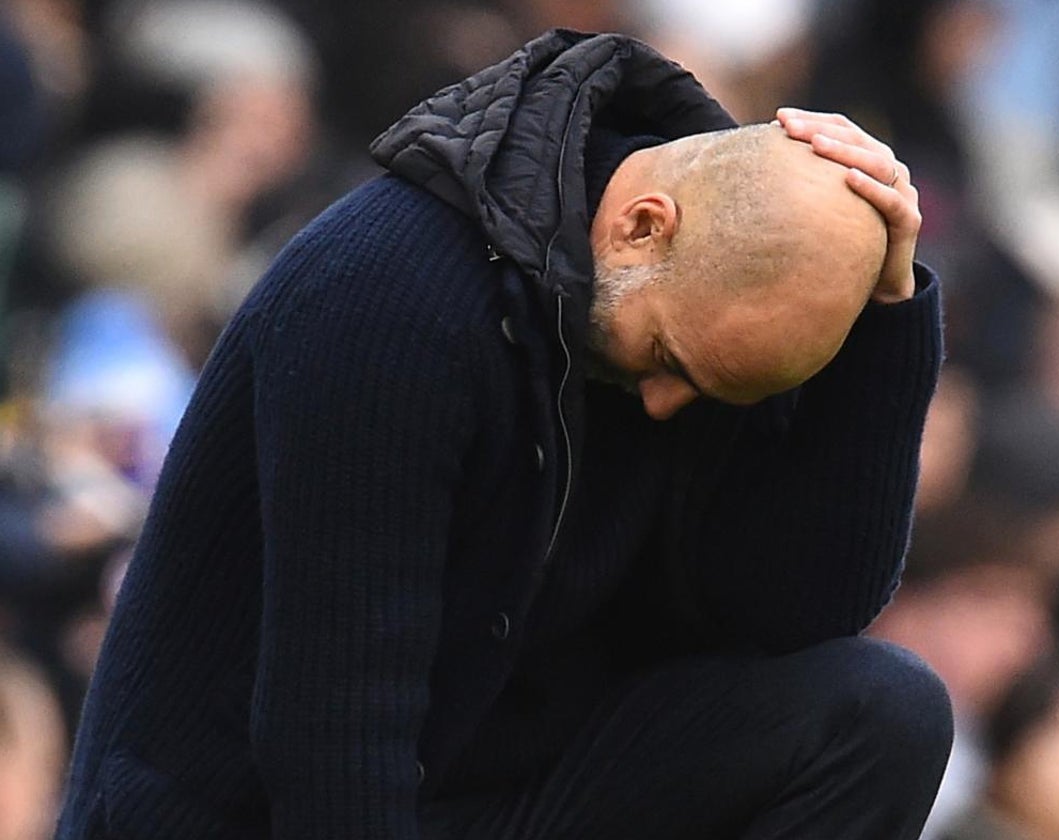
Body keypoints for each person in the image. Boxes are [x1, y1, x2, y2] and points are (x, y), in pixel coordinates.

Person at [54, 30, 951, 840]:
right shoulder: (389, 292)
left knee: (886, 713)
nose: (669, 403)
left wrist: (885, 325)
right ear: (643, 226)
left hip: (498, 788)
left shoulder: (712, 304)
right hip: (244, 809)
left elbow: (796, 616)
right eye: (669, 359)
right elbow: (332, 737)